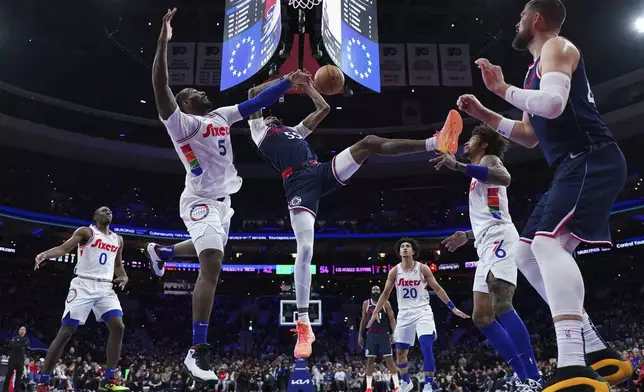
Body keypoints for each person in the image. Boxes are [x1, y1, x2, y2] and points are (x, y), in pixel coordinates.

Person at [456, 0, 631, 389]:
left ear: (536, 19)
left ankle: (572, 361)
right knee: (525, 250)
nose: (516, 23)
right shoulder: (535, 69)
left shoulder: (558, 47)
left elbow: (553, 105)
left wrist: (503, 88)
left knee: (550, 245)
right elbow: (530, 136)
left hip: (591, 157)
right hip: (571, 165)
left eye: (520, 16)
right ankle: (596, 347)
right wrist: (485, 112)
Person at [145, 8, 310, 382]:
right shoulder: (182, 124)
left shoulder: (220, 115)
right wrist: (162, 42)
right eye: (193, 92)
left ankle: (163, 250)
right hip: (199, 200)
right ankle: (196, 350)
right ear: (184, 103)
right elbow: (160, 88)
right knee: (213, 264)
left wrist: (288, 82)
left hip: (223, 205)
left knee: (210, 249)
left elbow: (252, 105)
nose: (200, 91)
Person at [246, 76, 463, 359]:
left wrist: (308, 86)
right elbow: (253, 92)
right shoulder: (258, 129)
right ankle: (303, 322)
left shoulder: (293, 131)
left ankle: (436, 142)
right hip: (297, 183)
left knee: (368, 143)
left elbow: (323, 109)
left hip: (319, 171)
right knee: (306, 248)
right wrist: (287, 81)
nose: (271, 112)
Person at [433, 125, 541, 390]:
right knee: (481, 317)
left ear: (483, 143)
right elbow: (492, 211)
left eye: (471, 138)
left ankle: (535, 376)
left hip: (500, 238)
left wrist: (457, 165)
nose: (467, 142)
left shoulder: (490, 160)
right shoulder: (477, 175)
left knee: (502, 303)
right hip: (484, 243)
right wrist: (467, 236)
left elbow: (504, 178)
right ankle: (524, 378)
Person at [34, 206, 129, 392]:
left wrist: (124, 277)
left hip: (105, 288)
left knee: (119, 326)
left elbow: (118, 265)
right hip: (83, 285)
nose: (107, 212)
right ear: (95, 216)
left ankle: (109, 380)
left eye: (110, 211)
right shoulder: (86, 232)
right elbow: (63, 249)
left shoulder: (118, 239)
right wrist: (45, 254)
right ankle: (43, 381)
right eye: (103, 210)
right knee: (66, 332)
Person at [367, 238, 469, 392]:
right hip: (404, 313)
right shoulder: (394, 271)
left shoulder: (423, 268)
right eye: (402, 246)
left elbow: (438, 288)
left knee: (426, 345)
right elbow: (385, 294)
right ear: (399, 252)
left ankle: (428, 384)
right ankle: (406, 382)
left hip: (422, 311)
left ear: (413, 251)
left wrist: (452, 308)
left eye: (408, 246)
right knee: (400, 353)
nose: (405, 248)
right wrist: (375, 313)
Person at [358, 286, 400, 392]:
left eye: (377, 290)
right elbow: (363, 320)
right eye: (374, 290)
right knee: (370, 360)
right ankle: (368, 388)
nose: (375, 292)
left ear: (380, 292)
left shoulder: (386, 303)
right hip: (371, 335)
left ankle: (396, 386)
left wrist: (394, 333)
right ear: (371, 292)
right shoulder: (366, 304)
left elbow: (392, 319)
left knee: (389, 360)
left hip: (384, 335)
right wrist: (360, 335)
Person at [3, 327, 29, 392]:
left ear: (25, 332)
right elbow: (13, 345)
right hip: (12, 359)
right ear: (19, 331)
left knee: (18, 377)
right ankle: (5, 390)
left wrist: (18, 345)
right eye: (21, 329)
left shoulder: (26, 339)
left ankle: (17, 389)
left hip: (20, 360)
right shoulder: (14, 338)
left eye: (24, 330)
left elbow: (27, 345)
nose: (22, 331)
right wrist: (21, 345)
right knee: (8, 375)